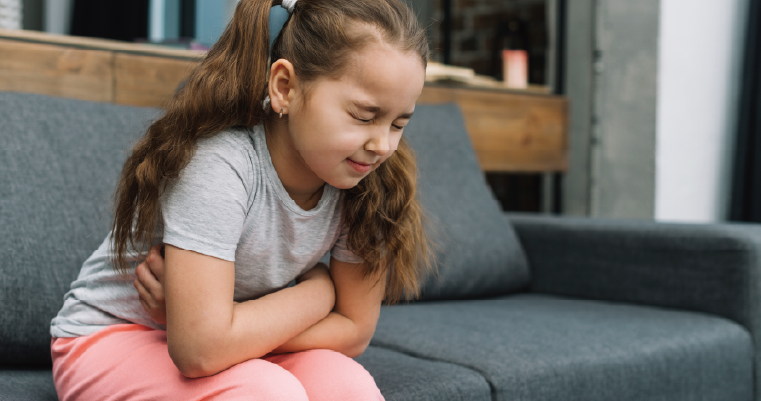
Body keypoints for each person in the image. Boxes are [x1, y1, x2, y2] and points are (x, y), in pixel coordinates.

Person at [48, 0, 434, 399]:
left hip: (224, 338)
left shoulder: (366, 184)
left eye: (399, 123)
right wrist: (318, 293)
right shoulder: (221, 165)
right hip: (113, 336)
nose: (383, 145)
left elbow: (353, 332)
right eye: (364, 116)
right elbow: (198, 351)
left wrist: (224, 334)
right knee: (268, 393)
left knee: (346, 385)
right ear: (285, 87)